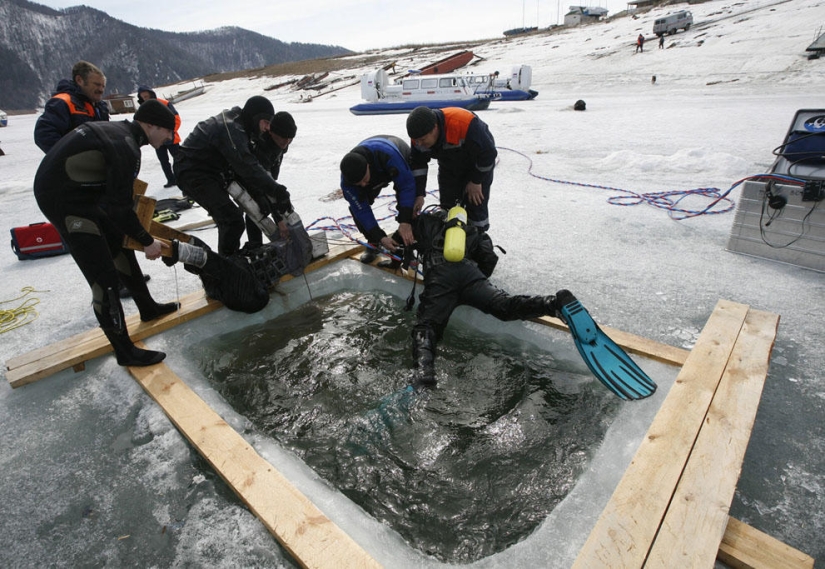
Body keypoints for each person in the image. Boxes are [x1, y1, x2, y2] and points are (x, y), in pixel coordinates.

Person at [33, 100, 180, 366]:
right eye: (168, 131)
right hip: (63, 201)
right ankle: (124, 351)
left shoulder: (124, 136)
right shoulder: (125, 147)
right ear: (150, 125)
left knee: (119, 245)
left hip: (81, 193)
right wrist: (147, 241)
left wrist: (138, 236)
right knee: (104, 277)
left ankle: (147, 308)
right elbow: (120, 209)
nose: (170, 137)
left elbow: (117, 204)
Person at [404, 207, 570, 388]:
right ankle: (553, 303)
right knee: (504, 305)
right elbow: (489, 257)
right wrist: (479, 281)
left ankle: (424, 372)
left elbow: (401, 242)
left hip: (440, 277)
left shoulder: (421, 222)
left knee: (427, 326)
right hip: (469, 274)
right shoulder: (467, 228)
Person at [174, 96, 294, 256]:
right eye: (265, 122)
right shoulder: (231, 128)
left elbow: (250, 171)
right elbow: (247, 166)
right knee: (231, 219)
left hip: (214, 171)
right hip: (192, 170)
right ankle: (229, 267)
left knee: (242, 212)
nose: (267, 128)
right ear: (256, 117)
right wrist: (277, 190)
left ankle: (235, 259)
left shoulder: (243, 127)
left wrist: (266, 197)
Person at [406, 106, 497, 232]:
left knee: (475, 205)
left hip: (476, 164)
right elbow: (418, 165)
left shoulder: (463, 123)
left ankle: (478, 239)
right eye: (417, 141)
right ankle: (449, 241)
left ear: (435, 128)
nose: (419, 144)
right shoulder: (418, 137)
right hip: (449, 165)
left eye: (422, 140)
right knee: (448, 207)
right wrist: (419, 194)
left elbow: (488, 154)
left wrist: (476, 181)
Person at [339, 135, 424, 264]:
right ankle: (373, 243)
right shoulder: (348, 182)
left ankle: (407, 246)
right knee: (357, 210)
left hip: (398, 155)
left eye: (363, 179)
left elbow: (406, 186)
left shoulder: (387, 155)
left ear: (368, 166)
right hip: (375, 173)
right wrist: (380, 237)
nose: (362, 184)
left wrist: (405, 221)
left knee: (409, 206)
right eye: (358, 183)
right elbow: (361, 210)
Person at [241, 111, 297, 249]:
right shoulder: (261, 147)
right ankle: (255, 244)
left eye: (290, 138)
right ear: (272, 133)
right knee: (256, 206)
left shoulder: (283, 142)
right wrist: (279, 220)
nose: (286, 142)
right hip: (245, 176)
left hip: (265, 173)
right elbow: (261, 184)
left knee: (274, 198)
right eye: (283, 138)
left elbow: (273, 177)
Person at [34, 61, 110, 154]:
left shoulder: (100, 107)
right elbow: (44, 134)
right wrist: (70, 157)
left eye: (103, 86)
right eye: (97, 84)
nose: (101, 90)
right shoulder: (62, 102)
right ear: (79, 80)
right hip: (76, 166)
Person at [137, 86, 182, 188]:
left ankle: (181, 178)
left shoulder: (164, 103)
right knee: (163, 161)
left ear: (151, 94)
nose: (145, 98)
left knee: (179, 159)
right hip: (157, 141)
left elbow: (177, 119)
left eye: (147, 96)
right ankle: (171, 180)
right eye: (143, 97)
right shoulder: (143, 109)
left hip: (172, 139)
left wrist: (170, 132)